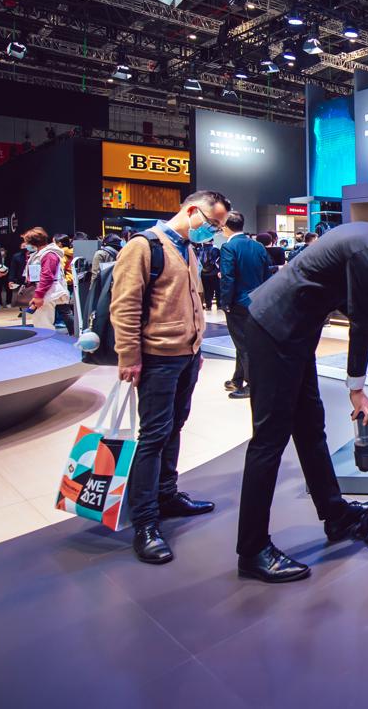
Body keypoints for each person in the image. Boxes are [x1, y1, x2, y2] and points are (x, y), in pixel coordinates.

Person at [235, 217, 368, 583]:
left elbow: (334, 286)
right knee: (268, 441)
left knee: (310, 428)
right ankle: (252, 550)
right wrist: (357, 390)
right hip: (275, 330)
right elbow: (358, 324)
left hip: (294, 333)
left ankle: (335, 514)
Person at [112, 190, 231, 565]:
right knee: (153, 435)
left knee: (175, 427)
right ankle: (145, 522)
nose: (213, 231)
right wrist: (128, 355)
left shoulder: (187, 249)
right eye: (212, 224)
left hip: (187, 356)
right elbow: (125, 305)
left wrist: (197, 349)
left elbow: (191, 301)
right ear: (193, 211)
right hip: (157, 358)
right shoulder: (144, 246)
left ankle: (167, 493)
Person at [219, 210, 270, 400]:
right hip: (257, 301)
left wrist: (225, 302)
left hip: (238, 302)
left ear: (226, 226)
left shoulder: (228, 247)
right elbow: (267, 274)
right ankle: (238, 379)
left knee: (243, 344)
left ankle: (252, 384)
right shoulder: (258, 246)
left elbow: (228, 277)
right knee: (244, 342)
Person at [21, 227, 68, 330]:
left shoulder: (49, 255)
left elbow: (47, 276)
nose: (25, 245)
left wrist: (39, 295)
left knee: (43, 325)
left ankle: (47, 340)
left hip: (46, 293)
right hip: (43, 293)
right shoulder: (40, 254)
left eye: (27, 242)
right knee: (40, 322)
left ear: (33, 242)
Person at [197, 240, 221, 312]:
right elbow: (218, 261)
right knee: (217, 289)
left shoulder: (199, 250)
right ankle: (219, 305)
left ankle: (208, 305)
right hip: (214, 273)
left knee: (207, 290)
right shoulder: (215, 249)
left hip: (203, 273)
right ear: (212, 241)